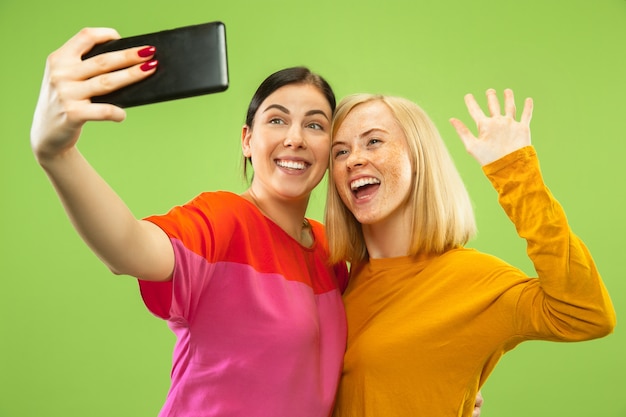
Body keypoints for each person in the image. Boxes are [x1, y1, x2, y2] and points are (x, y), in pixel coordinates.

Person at [30, 27, 348, 417]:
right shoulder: (225, 220)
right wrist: (58, 155)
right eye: (277, 120)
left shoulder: (333, 252)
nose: (295, 138)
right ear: (247, 141)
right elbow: (129, 249)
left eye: (315, 125)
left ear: (332, 150)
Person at [325, 90, 616, 416]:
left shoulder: (473, 280)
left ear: (419, 157)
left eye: (374, 141)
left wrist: (516, 174)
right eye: (339, 152)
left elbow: (586, 314)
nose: (354, 159)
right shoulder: (334, 279)